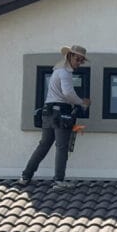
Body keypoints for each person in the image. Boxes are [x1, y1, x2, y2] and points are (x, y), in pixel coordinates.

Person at [19, 44, 91, 189]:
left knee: (44, 145)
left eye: (82, 61)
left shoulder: (57, 71)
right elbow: (68, 93)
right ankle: (58, 180)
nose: (79, 63)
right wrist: (82, 102)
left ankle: (25, 176)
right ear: (70, 56)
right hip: (61, 114)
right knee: (62, 147)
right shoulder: (65, 73)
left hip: (48, 112)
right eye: (78, 59)